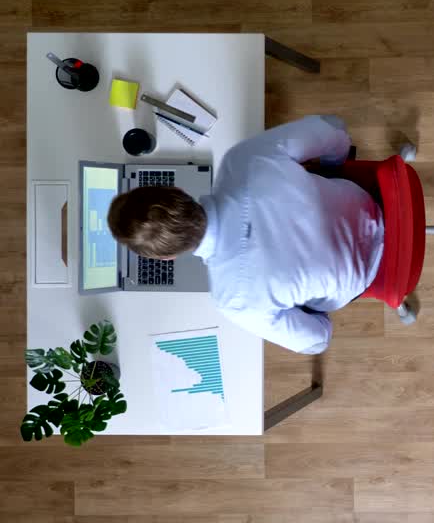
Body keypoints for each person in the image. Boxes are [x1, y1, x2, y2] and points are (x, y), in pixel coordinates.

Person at [107, 115, 388, 354]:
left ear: (168, 257)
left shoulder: (235, 300)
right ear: (177, 190)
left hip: (368, 272)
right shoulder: (241, 160)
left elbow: (318, 340)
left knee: (287, 308)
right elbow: (332, 131)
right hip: (368, 202)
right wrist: (334, 166)